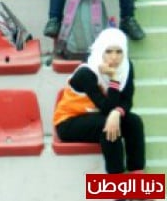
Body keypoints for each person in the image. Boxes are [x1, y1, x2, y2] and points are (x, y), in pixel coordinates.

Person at [54, 28, 145, 175]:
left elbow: (127, 100)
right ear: (100, 51)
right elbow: (106, 107)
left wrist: (117, 112)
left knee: (134, 121)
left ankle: (138, 176)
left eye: (119, 52)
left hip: (98, 115)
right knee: (108, 126)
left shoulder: (126, 67)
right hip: (69, 122)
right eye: (108, 52)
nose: (114, 57)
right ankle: (117, 182)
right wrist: (114, 78)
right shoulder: (86, 73)